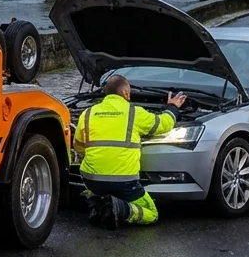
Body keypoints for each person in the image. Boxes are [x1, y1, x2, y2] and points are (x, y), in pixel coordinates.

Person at [73, 74, 185, 229]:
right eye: (129, 92)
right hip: (125, 182)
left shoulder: (88, 113)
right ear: (125, 93)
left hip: (92, 180)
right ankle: (121, 210)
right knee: (152, 213)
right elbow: (163, 124)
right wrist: (172, 107)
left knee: (93, 181)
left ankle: (97, 204)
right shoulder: (134, 112)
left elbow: (78, 146)